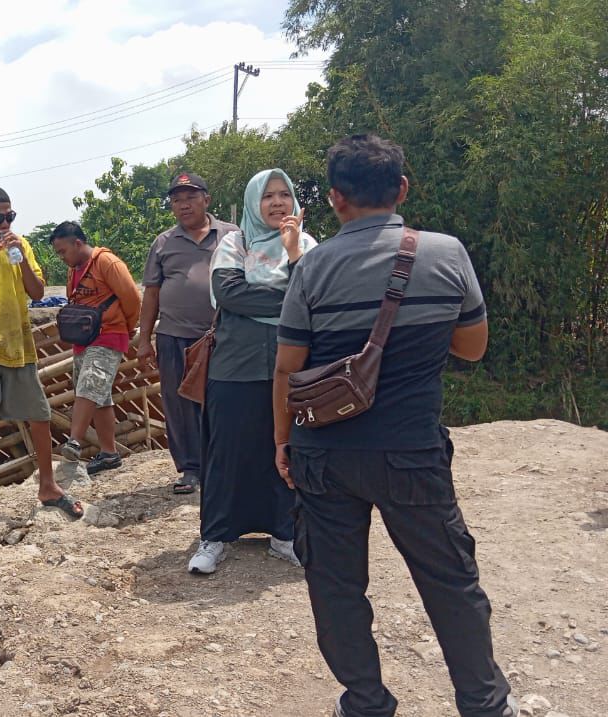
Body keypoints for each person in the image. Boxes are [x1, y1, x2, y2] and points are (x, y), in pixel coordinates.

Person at [273, 135, 516, 717]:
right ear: (401, 189)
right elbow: (473, 347)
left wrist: (281, 442)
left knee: (336, 587)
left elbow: (286, 368)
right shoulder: (447, 253)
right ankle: (484, 705)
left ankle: (365, 702)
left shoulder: (312, 268)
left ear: (335, 199)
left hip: (324, 455)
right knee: (449, 580)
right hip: (412, 453)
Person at [187, 168, 317, 575]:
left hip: (293, 363)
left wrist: (294, 254)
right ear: (253, 202)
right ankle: (216, 535)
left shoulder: (310, 245)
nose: (277, 203)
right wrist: (289, 297)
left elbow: (315, 294)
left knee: (284, 448)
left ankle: (284, 533)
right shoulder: (234, 242)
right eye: (268, 196)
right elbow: (229, 292)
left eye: (284, 195)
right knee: (228, 449)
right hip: (235, 364)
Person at [0, 185, 84, 528]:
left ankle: (48, 487)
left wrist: (20, 257)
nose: (4, 223)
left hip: (18, 343)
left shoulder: (20, 247)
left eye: (10, 216)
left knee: (39, 415)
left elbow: (37, 292)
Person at [136, 172, 238, 494]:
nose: (183, 205)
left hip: (224, 335)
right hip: (174, 336)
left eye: (190, 197)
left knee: (225, 401)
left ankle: (224, 464)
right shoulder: (164, 243)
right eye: (177, 200)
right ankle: (190, 468)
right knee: (179, 404)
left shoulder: (232, 236)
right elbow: (151, 292)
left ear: (206, 200)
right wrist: (143, 339)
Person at [48, 221, 142, 474]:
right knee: (99, 396)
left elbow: (132, 297)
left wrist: (128, 325)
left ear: (78, 243)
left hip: (109, 334)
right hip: (85, 338)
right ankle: (109, 452)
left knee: (90, 385)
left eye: (63, 251)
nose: (61, 257)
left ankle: (74, 441)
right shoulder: (74, 269)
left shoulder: (107, 263)